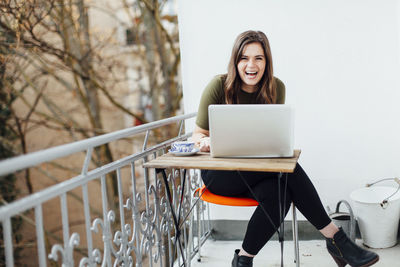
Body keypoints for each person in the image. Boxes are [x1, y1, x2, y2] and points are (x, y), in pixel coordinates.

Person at [191, 30, 379, 267]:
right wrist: (204, 141)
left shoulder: (275, 87)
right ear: (235, 61)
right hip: (221, 174)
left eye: (258, 58)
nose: (251, 65)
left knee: (279, 195)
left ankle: (243, 260)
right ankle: (336, 239)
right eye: (244, 58)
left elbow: (269, 138)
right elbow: (197, 134)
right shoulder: (218, 86)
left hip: (259, 171)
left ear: (266, 61)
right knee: (289, 169)